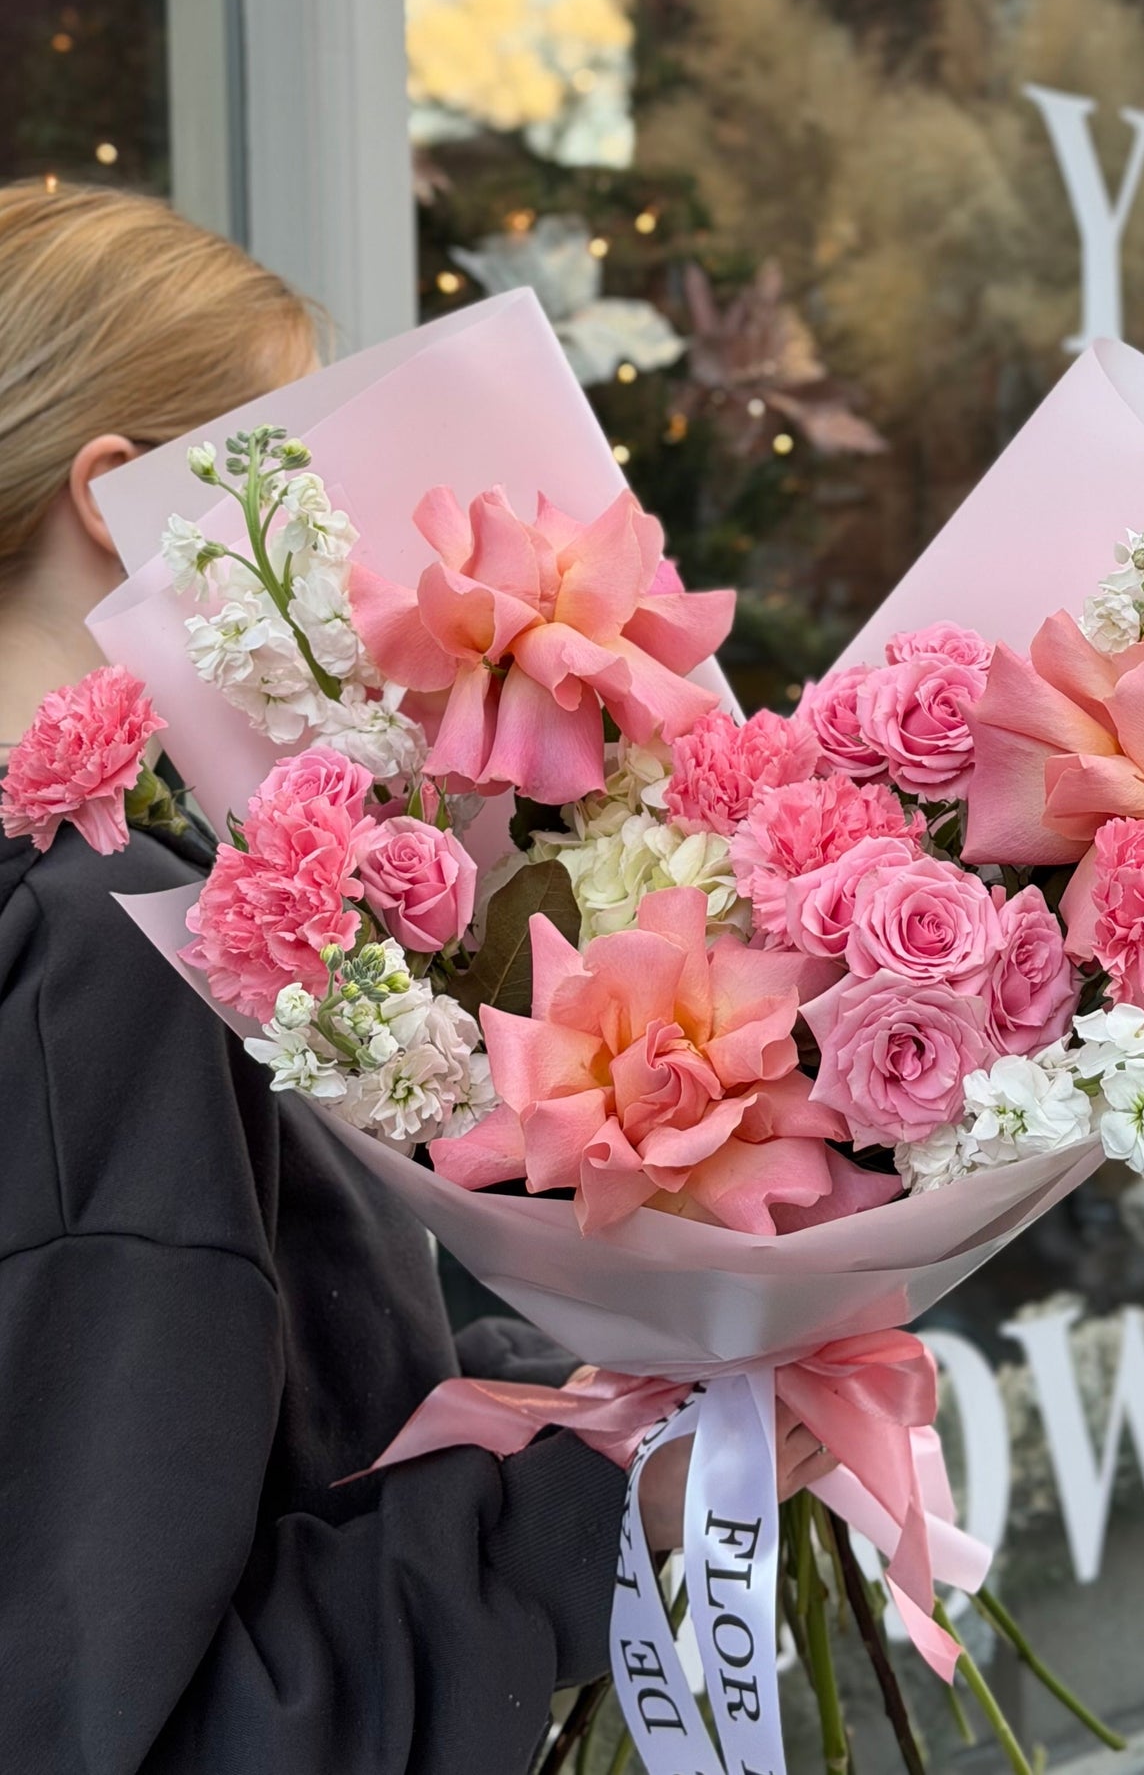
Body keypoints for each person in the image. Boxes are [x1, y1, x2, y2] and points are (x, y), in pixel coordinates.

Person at [0, 182, 831, 1775]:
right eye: (292, 480)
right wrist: (589, 1513)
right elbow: (124, 1717)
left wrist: (569, 1400)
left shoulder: (131, 914)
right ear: (121, 500)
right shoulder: (95, 962)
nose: (336, 558)